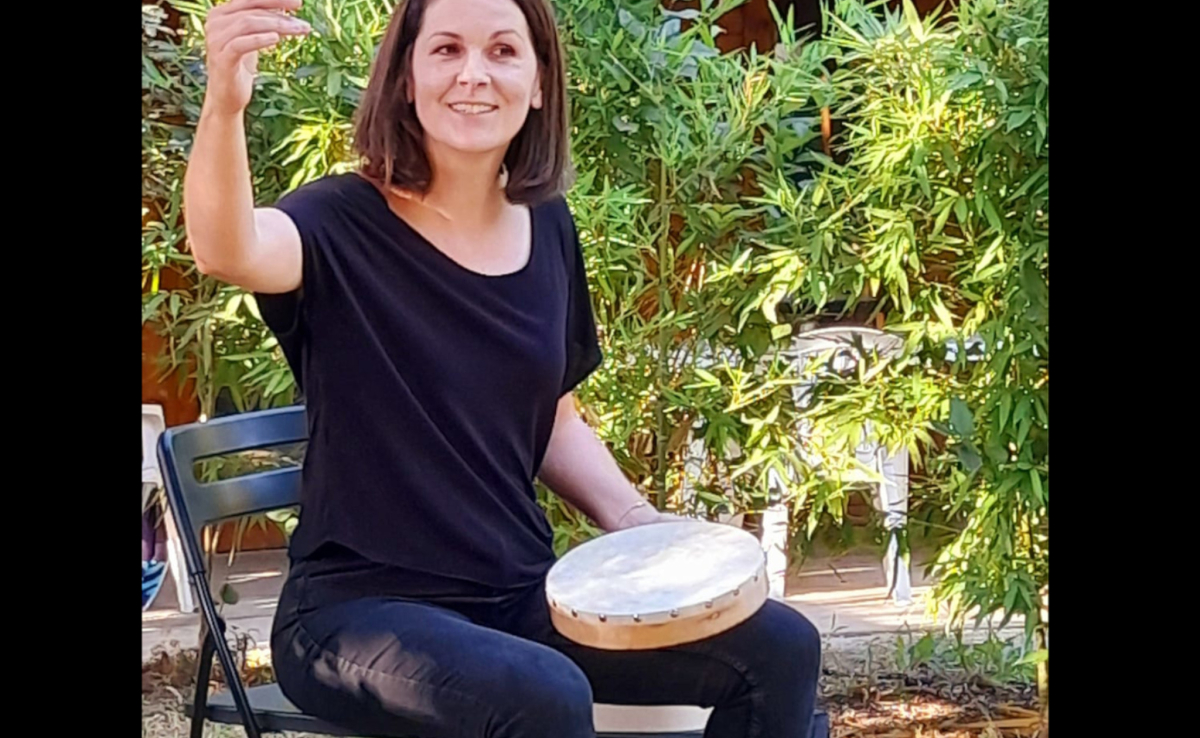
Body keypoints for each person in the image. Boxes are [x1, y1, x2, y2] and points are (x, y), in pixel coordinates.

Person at [183, 0, 821, 736]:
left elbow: (552, 415)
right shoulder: (337, 220)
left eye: (503, 51)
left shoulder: (548, 225)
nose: (474, 74)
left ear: (540, 82)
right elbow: (227, 249)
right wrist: (224, 103)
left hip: (517, 594)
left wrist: (636, 521)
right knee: (541, 693)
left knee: (779, 648)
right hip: (354, 612)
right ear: (406, 79)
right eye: (446, 49)